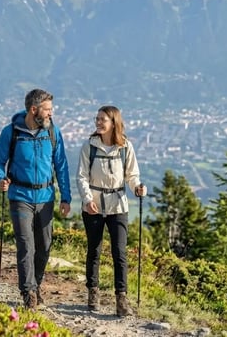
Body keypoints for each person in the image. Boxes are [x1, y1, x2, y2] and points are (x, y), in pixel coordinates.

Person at [0, 88, 71, 310]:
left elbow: (61, 165)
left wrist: (66, 197)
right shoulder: (12, 132)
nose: (50, 114)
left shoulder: (53, 132)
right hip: (20, 196)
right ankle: (28, 293)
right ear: (34, 110)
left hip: (46, 197)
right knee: (26, 245)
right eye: (47, 110)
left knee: (44, 246)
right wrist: (0, 179)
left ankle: (36, 284)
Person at [76, 105, 147, 317]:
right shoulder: (89, 146)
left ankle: (121, 299)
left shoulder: (126, 147)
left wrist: (137, 187)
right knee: (94, 250)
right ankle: (93, 292)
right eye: (96, 119)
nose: (98, 122)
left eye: (102, 120)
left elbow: (132, 174)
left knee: (120, 253)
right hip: (94, 206)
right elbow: (81, 177)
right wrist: (88, 200)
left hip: (118, 205)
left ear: (113, 123)